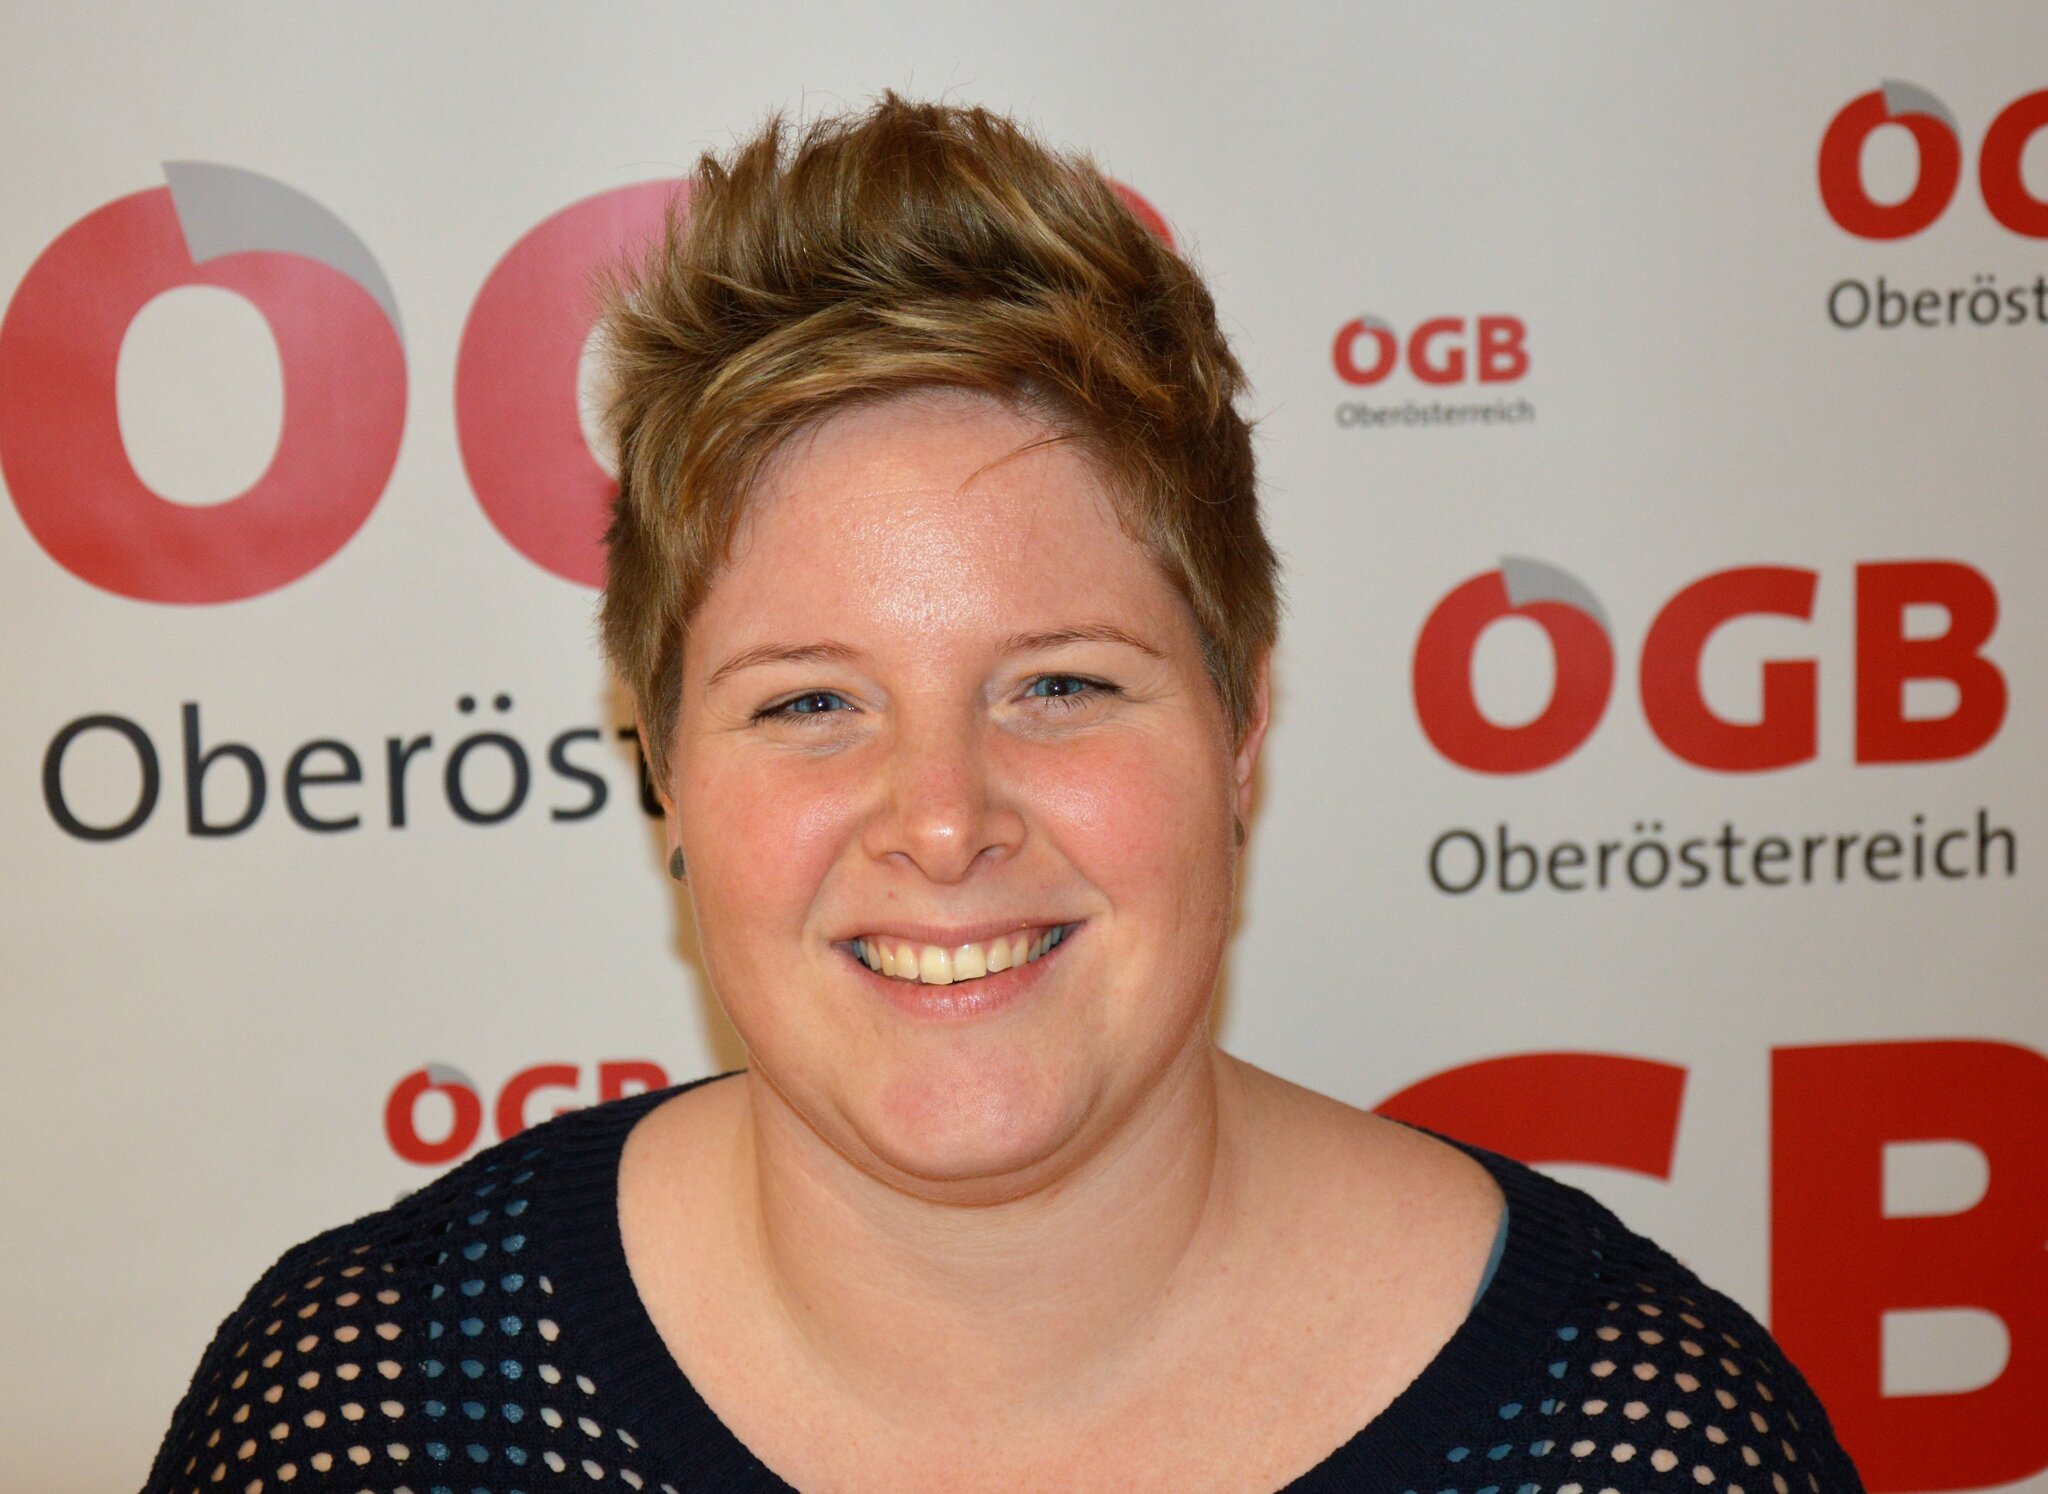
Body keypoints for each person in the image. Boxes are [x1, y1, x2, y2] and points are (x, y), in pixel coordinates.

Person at [147, 95, 1862, 1493]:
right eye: (810, 702)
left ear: (1242, 725)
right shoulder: (365, 1414)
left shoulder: (1650, 1445)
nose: (944, 818)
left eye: (1059, 685)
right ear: (661, 767)